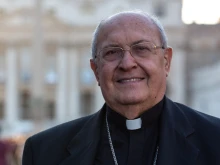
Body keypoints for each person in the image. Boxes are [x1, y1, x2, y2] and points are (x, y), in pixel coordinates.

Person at [22, 10, 220, 165]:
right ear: (96, 70)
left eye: (141, 49)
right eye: (111, 52)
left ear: (166, 62)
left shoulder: (215, 139)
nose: (127, 63)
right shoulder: (43, 151)